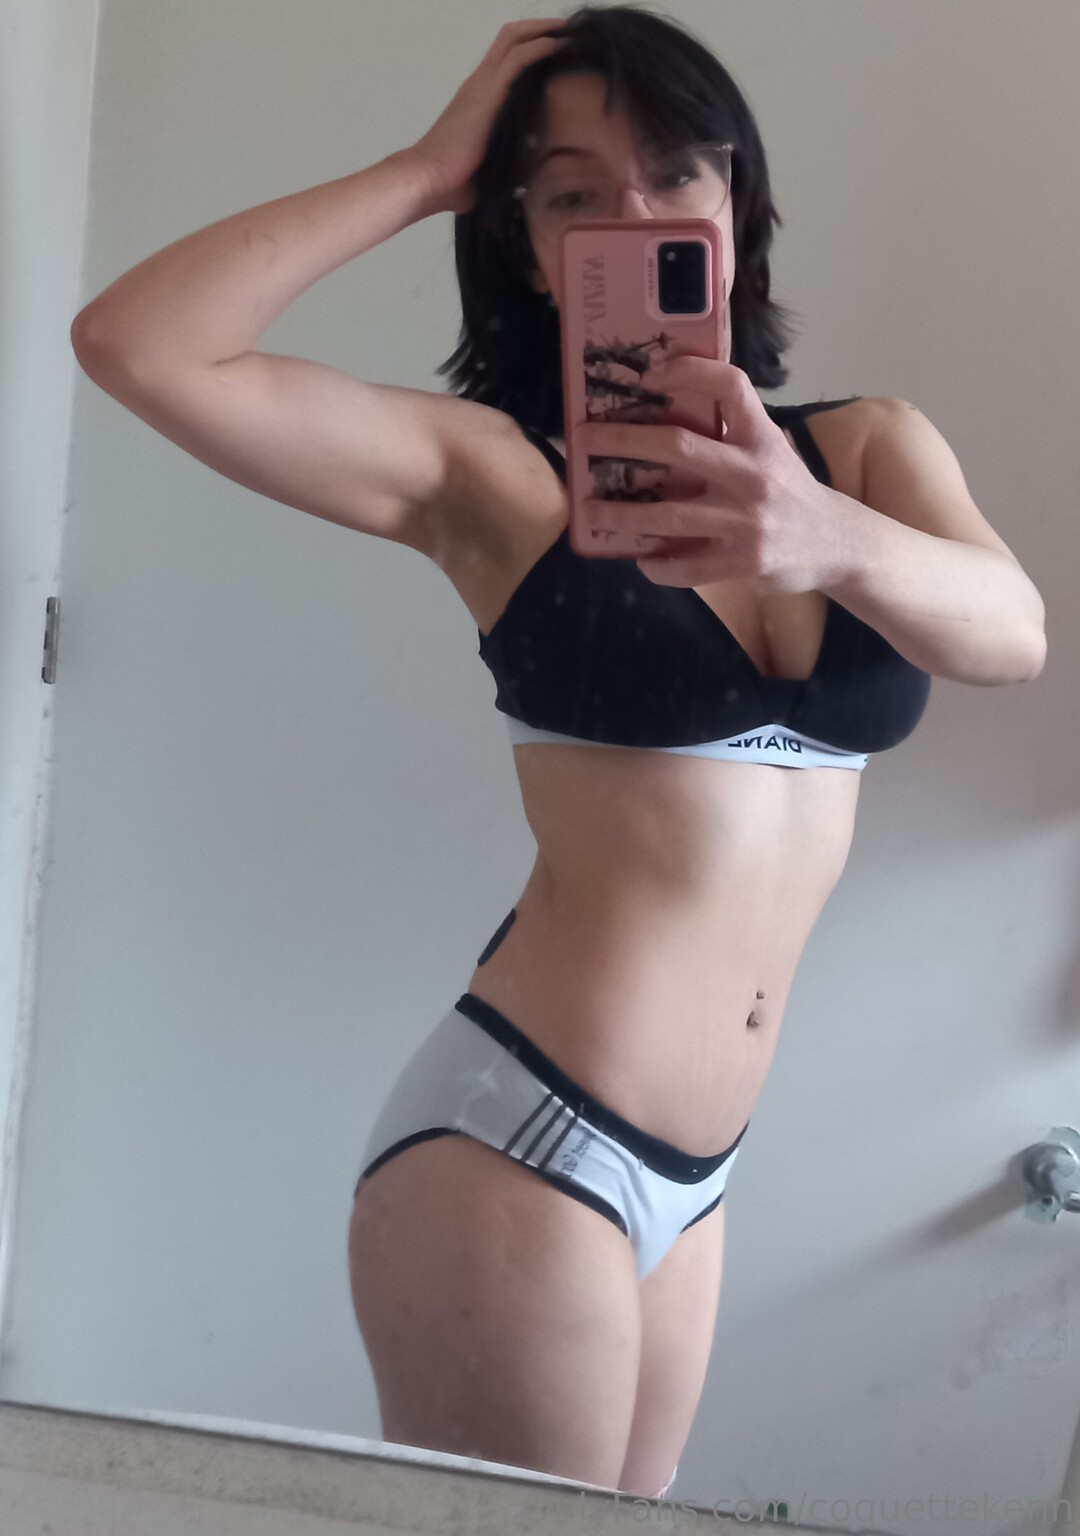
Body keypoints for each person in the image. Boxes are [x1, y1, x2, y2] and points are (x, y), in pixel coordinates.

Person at [70, 6, 1047, 1505]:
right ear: (525, 244)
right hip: (523, 1143)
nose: (634, 218)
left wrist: (821, 536)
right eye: (576, 194)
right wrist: (423, 169)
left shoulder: (865, 451)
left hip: (698, 1180)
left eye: (675, 174)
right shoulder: (494, 479)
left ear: (736, 202)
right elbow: (137, 344)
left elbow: (1014, 632)